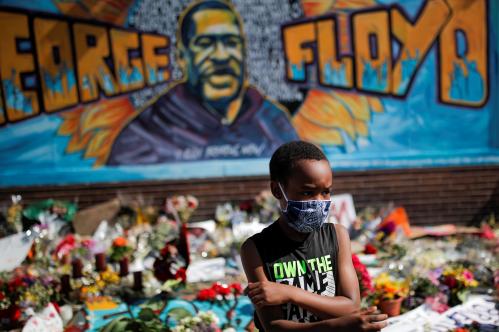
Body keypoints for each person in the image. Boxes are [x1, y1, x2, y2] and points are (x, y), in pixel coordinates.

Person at [107, 0, 298, 165]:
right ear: (182, 57)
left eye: (231, 42)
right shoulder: (145, 135)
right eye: (205, 44)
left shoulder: (274, 122)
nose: (221, 56)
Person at [241, 141, 388, 331]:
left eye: (326, 192)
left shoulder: (337, 235)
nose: (319, 202)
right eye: (308, 192)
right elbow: (274, 327)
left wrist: (291, 293)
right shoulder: (256, 249)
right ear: (277, 190)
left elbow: (351, 305)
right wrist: (338, 325)